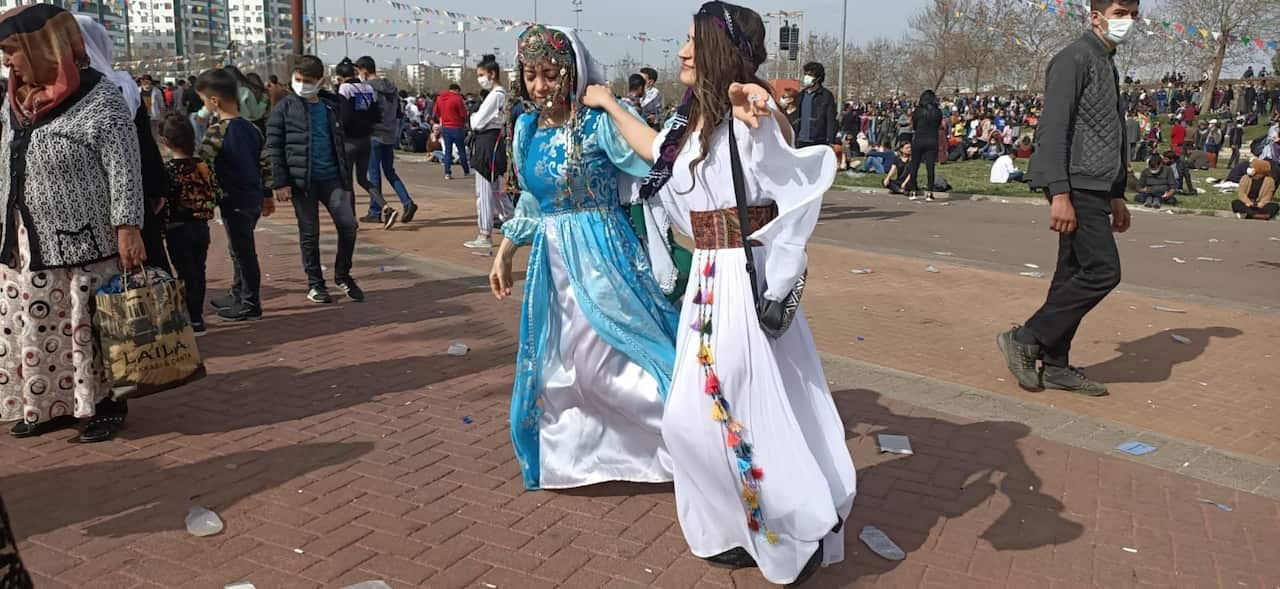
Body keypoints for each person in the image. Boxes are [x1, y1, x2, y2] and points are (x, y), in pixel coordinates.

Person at [587, 3, 856, 584]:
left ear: (720, 50)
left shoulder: (751, 112)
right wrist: (609, 103)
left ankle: (792, 528)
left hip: (742, 278)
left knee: (721, 410)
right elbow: (650, 148)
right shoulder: (690, 122)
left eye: (692, 41)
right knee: (711, 413)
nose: (681, 51)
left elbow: (783, 158)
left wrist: (763, 109)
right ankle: (742, 524)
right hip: (709, 279)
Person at [488, 25, 680, 495]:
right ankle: (577, 457)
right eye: (530, 75)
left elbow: (656, 161)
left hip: (604, 255)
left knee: (614, 358)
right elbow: (532, 202)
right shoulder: (526, 129)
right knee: (561, 364)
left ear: (572, 73)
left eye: (550, 74)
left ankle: (678, 444)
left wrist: (614, 106)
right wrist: (506, 250)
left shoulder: (597, 124)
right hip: (552, 265)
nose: (539, 86)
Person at [0, 4, 145, 442]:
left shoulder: (100, 97)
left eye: (12, 50)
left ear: (43, 46)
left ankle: (105, 405)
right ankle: (53, 403)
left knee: (88, 327)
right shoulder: (16, 100)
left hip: (83, 240)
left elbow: (125, 168)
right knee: (38, 325)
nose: (7, 60)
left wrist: (128, 228)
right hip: (26, 239)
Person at [1000, 0, 1136, 397]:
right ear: (1096, 17)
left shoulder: (1106, 63)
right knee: (1103, 271)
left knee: (1070, 275)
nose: (1128, 21)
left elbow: (1110, 132)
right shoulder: (1073, 59)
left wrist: (1117, 192)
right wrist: (1059, 191)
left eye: (1133, 14)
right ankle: (1026, 336)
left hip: (1097, 185)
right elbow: (1054, 128)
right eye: (1120, 13)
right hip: (1076, 183)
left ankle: (1056, 364)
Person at [75, 15, 171, 275]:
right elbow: (143, 144)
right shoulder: (122, 85)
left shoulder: (70, 89)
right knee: (142, 272)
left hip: (90, 198)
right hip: (133, 191)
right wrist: (155, 188)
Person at [267, 55, 362, 306]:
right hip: (302, 182)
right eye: (298, 79)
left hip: (332, 178)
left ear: (320, 81)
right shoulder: (284, 108)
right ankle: (315, 283)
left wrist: (346, 179)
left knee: (348, 226)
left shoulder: (332, 106)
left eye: (308, 81)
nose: (302, 85)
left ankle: (343, 275)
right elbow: (274, 147)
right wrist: (280, 182)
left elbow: (342, 141)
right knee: (310, 233)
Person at [196, 68, 272, 322]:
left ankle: (250, 302)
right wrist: (268, 195)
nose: (204, 106)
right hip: (253, 199)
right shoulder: (252, 128)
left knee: (243, 252)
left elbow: (202, 164)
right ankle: (238, 292)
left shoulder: (217, 131)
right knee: (238, 248)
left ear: (214, 101)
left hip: (234, 199)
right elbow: (266, 163)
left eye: (204, 101)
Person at [158, 114, 216, 335]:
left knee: (184, 273)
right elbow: (215, 193)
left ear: (166, 142)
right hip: (201, 226)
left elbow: (164, 201)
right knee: (199, 271)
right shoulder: (203, 166)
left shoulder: (168, 170)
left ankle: (190, 317)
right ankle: (197, 316)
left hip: (178, 229)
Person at [356, 56, 419, 225]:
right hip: (390, 134)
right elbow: (399, 113)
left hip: (374, 135)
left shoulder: (366, 88)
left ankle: (375, 211)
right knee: (390, 171)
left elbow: (361, 112)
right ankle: (407, 202)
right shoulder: (392, 88)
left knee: (373, 174)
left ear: (364, 71)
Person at [465, 54, 513, 250]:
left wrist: (473, 117)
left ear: (492, 74)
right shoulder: (500, 94)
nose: (480, 79)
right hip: (491, 142)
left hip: (488, 143)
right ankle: (514, 223)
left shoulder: (495, 95)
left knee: (485, 191)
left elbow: (476, 122)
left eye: (481, 75)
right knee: (497, 191)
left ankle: (485, 233)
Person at [335, 58, 388, 228]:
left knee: (347, 183)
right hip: (366, 139)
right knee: (363, 179)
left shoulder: (345, 89)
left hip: (349, 141)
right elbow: (376, 115)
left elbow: (344, 116)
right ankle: (385, 206)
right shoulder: (368, 88)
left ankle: (351, 219)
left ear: (340, 77)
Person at [905, 90, 944, 199]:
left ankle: (913, 190)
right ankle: (930, 192)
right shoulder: (938, 111)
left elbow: (915, 125)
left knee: (914, 165)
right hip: (932, 139)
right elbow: (938, 125)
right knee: (930, 167)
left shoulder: (918, 111)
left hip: (919, 139)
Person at [432, 83, 471, 181]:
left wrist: (442, 119)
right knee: (461, 149)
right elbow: (463, 114)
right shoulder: (457, 99)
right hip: (457, 127)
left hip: (445, 127)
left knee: (447, 151)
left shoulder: (440, 98)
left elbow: (436, 112)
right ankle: (466, 170)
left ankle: (447, 172)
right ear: (457, 90)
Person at [794, 61, 836, 149]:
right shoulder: (801, 95)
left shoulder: (826, 96)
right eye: (805, 74)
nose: (806, 77)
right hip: (800, 141)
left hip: (819, 141)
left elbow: (831, 119)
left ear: (818, 78)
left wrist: (831, 140)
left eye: (810, 75)